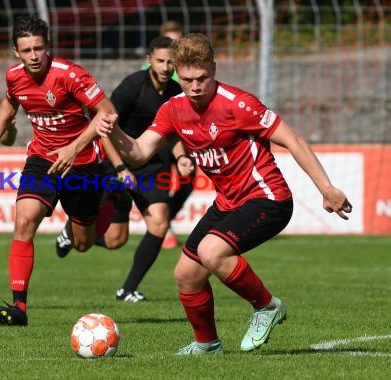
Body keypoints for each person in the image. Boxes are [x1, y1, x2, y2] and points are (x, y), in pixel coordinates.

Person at [94, 33, 353, 354]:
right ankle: (208, 345)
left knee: (212, 252)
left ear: (214, 69)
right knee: (186, 275)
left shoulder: (239, 104)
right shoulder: (173, 109)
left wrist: (326, 189)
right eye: (187, 79)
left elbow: (294, 140)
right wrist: (115, 132)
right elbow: (139, 152)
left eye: (203, 78)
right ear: (177, 72)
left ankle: (267, 307)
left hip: (267, 198)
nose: (195, 86)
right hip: (228, 203)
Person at [0, 14, 125, 327]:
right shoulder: (14, 76)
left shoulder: (71, 75)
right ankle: (19, 308)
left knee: (83, 244)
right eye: (26, 50)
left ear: (48, 46)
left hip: (83, 163)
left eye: (38, 48)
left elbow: (108, 113)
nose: (33, 56)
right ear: (17, 52)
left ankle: (113, 199)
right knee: (24, 220)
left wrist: (74, 147)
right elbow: (9, 103)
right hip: (42, 159)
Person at [55, 36, 189, 303]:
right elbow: (103, 126)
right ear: (149, 59)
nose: (165, 67)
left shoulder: (176, 94)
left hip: (152, 166)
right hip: (116, 164)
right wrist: (119, 167)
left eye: (171, 62)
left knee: (158, 224)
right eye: (161, 60)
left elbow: (173, 135)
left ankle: (127, 289)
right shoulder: (131, 87)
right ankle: (71, 232)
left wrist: (182, 157)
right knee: (113, 239)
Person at [142, 20, 191, 249]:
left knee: (188, 181)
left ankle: (165, 220)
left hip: (182, 135)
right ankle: (161, 224)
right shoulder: (152, 72)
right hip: (159, 137)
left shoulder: (188, 69)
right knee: (162, 181)